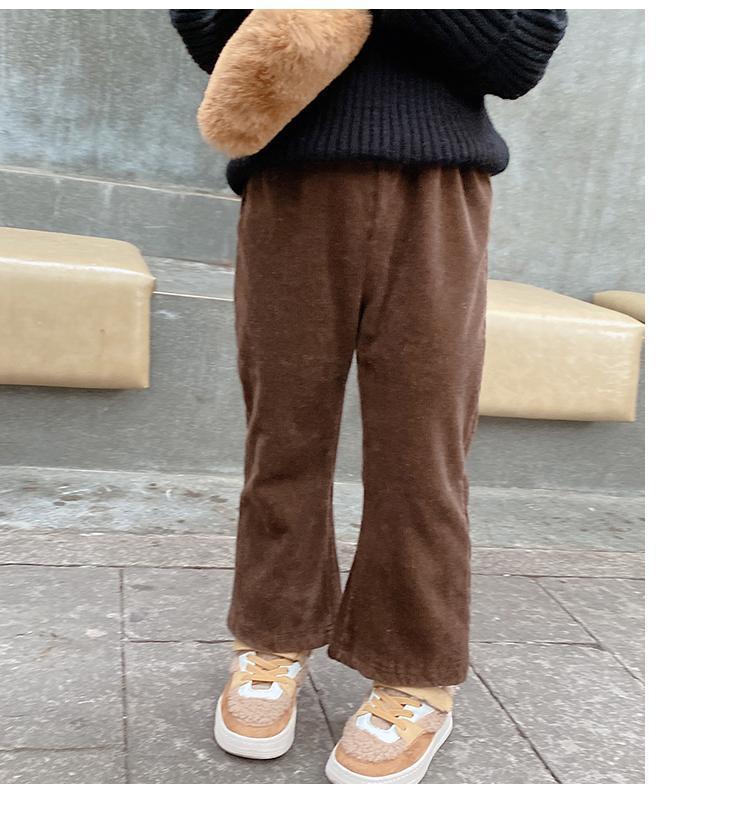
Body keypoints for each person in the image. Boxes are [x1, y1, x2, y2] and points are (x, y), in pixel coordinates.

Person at [170, 8, 567, 784]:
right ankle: (271, 635)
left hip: (437, 188)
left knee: (424, 451)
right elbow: (209, 31)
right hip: (290, 179)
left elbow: (522, 51)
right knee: (281, 436)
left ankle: (418, 670)